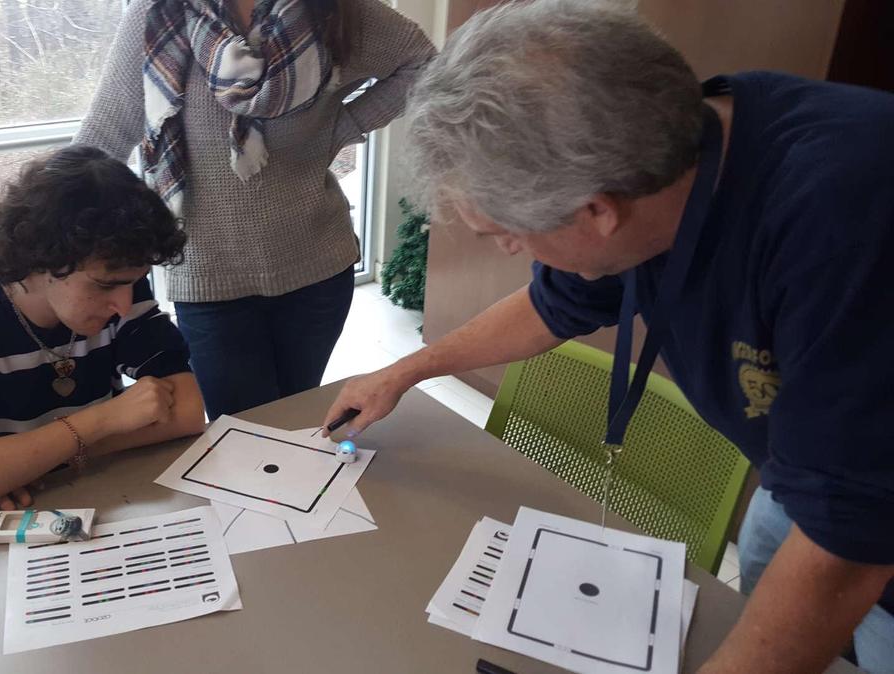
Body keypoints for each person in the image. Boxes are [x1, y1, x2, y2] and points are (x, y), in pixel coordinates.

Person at [320, 1, 894, 671]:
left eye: (505, 234)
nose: (510, 250)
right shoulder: (661, 160)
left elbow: (845, 546)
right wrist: (405, 371)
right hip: (805, 475)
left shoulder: (843, 223)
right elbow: (549, 307)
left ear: (596, 212)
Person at [75, 0, 436, 419]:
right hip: (208, 278)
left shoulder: (333, 10)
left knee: (293, 417)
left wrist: (343, 127)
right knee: (243, 430)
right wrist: (39, 237)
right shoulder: (162, 14)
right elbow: (103, 136)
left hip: (317, 269)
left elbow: (423, 63)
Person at [0, 146, 206, 521]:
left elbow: (187, 411)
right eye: (104, 285)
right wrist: (103, 420)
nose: (123, 304)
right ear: (39, 260)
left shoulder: (122, 281)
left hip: (92, 497)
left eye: (133, 282)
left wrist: (18, 466)